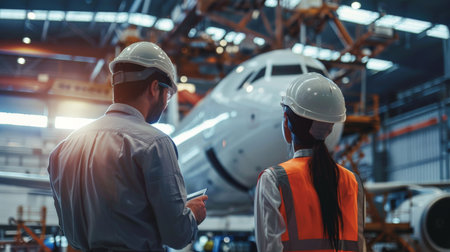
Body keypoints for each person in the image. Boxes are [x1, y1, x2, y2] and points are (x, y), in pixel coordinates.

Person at [48, 41, 208, 252]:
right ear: (154, 88)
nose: (167, 102)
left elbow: (72, 232)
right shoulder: (155, 144)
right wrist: (192, 214)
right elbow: (177, 235)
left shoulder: (63, 149)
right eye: (168, 94)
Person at [254, 73, 366, 252]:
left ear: (286, 123)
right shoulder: (352, 182)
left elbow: (269, 247)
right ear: (329, 130)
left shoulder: (274, 179)